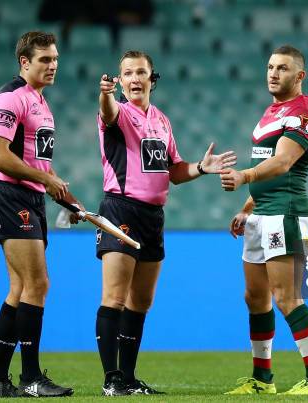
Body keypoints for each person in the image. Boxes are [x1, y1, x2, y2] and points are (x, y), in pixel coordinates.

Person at [95, 50, 236, 396]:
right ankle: (111, 379)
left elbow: (173, 171)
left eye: (140, 72)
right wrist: (104, 94)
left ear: (151, 79)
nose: (134, 79)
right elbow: (107, 112)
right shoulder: (118, 112)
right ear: (120, 80)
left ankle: (128, 378)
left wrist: (202, 168)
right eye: (127, 73)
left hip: (153, 217)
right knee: (114, 296)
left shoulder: (160, 120)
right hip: (121, 211)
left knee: (140, 301)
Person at [219, 45, 308, 395]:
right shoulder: (272, 111)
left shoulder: (303, 116)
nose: (272, 73)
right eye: (270, 66)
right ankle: (262, 379)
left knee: (287, 297)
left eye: (282, 68)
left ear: (300, 76)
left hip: (288, 212)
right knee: (255, 297)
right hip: (263, 213)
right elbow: (270, 165)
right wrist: (247, 208)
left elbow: (283, 164)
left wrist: (244, 176)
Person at [0, 31, 80, 397]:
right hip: (11, 197)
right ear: (24, 62)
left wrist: (65, 196)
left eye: (55, 59)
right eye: (44, 60)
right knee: (37, 285)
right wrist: (43, 179)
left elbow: (36, 163)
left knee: (21, 288)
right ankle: (31, 378)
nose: (53, 65)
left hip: (30, 197)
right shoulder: (10, 98)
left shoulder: (39, 101)